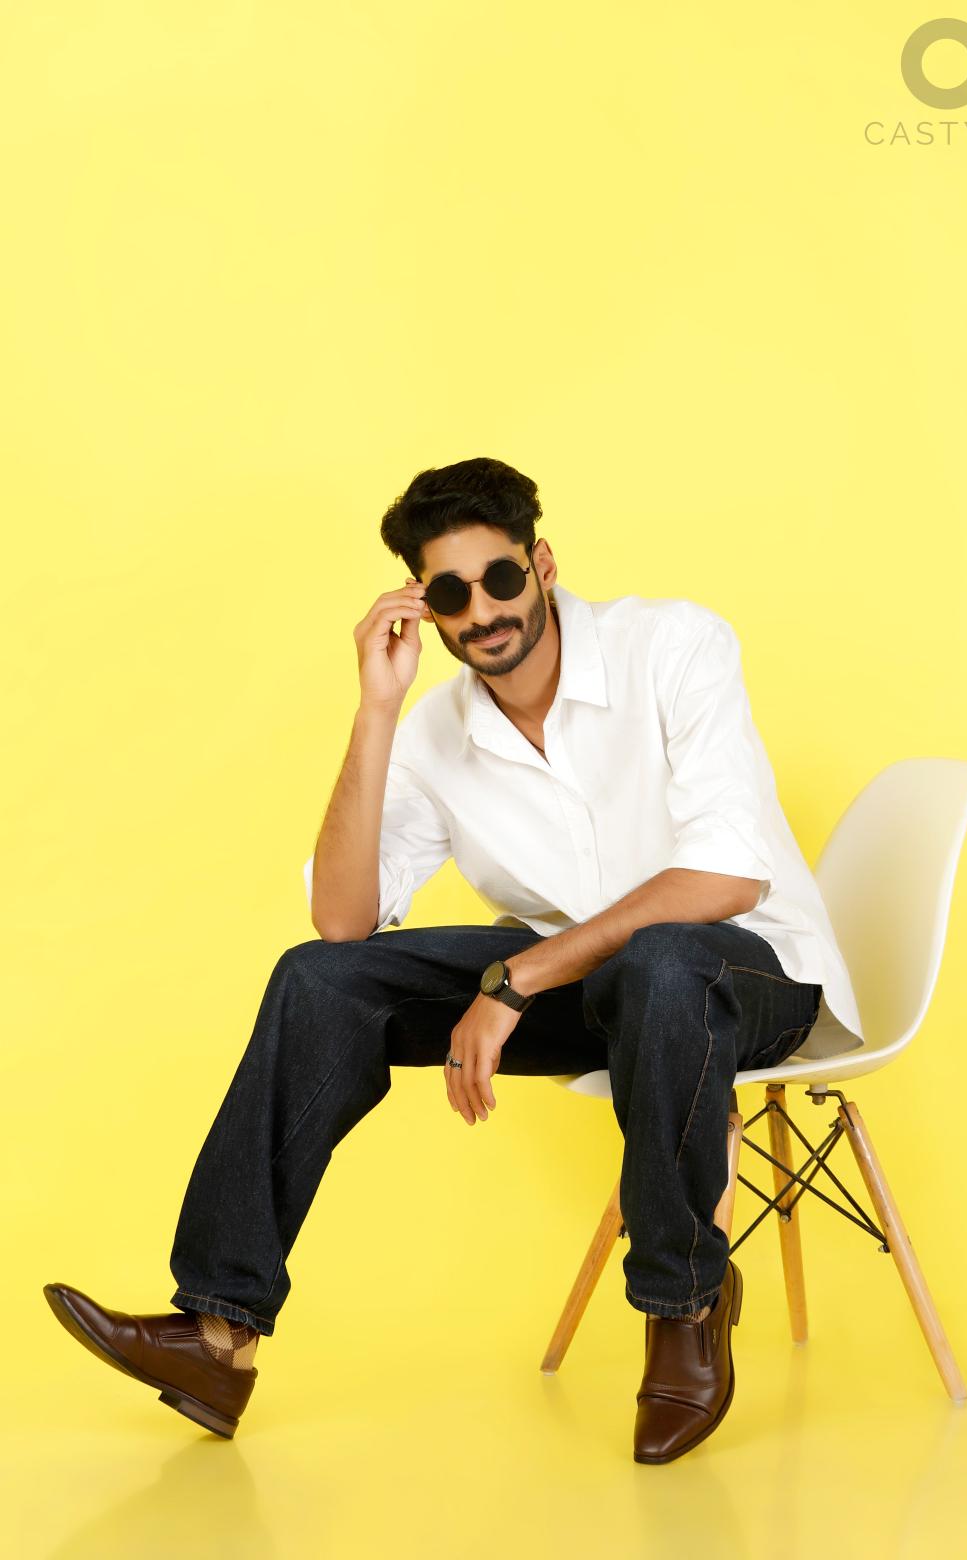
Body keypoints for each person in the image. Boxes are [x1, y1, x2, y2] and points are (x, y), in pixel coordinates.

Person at [44, 455, 863, 1463]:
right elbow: (342, 922)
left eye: (500, 578)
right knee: (319, 983)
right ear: (422, 606)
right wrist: (376, 711)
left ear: (542, 564)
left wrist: (516, 979)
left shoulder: (672, 645)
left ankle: (683, 1305)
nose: (482, 611)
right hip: (594, 990)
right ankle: (217, 1335)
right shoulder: (436, 732)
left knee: (661, 966)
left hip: (748, 975)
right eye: (449, 594)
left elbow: (725, 879)